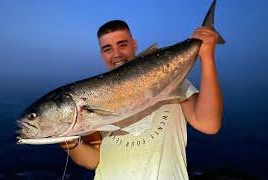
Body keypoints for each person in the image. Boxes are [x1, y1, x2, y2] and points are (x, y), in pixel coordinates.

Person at [60, 20, 222, 179]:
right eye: (107, 48)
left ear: (134, 44)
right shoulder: (93, 95)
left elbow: (209, 124)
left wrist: (207, 56)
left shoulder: (170, 78)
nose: (116, 54)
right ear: (102, 54)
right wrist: (70, 143)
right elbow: (95, 160)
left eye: (122, 44)